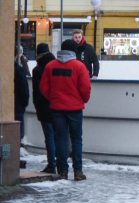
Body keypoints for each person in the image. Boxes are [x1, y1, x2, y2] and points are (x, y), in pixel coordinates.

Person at [40, 39, 91, 181]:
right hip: (75, 109)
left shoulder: (50, 66)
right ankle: (78, 171)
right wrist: (82, 100)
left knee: (60, 139)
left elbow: (43, 87)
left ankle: (62, 171)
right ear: (74, 51)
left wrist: (53, 98)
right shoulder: (79, 67)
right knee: (76, 140)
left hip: (57, 109)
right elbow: (85, 88)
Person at [32, 43, 57, 174]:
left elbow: (38, 92)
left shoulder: (38, 69)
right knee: (59, 136)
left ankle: (51, 165)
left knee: (49, 137)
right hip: (58, 106)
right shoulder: (56, 65)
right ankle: (61, 165)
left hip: (44, 108)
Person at [14, 48, 29, 169]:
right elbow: (24, 91)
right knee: (17, 133)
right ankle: (14, 158)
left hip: (16, 105)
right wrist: (24, 104)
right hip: (18, 106)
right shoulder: (18, 70)